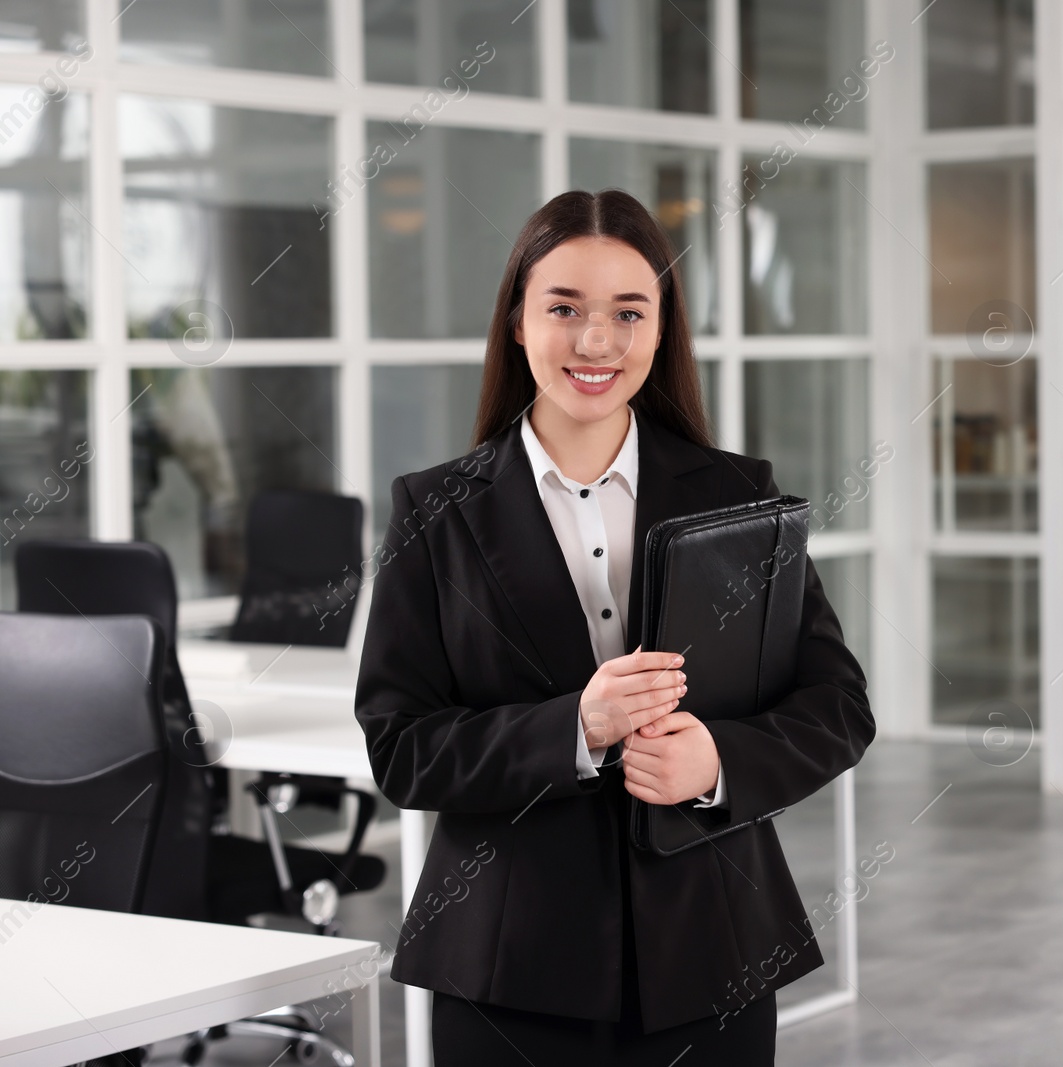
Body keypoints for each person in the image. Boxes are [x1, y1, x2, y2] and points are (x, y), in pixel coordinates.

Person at [354, 188, 875, 1065]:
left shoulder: (737, 496)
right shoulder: (433, 511)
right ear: (517, 323)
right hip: (507, 966)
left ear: (663, 328)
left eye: (629, 312)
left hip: (712, 951)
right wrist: (576, 728)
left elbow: (838, 706)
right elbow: (401, 747)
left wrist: (716, 762)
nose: (597, 341)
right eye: (564, 308)